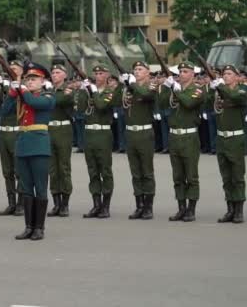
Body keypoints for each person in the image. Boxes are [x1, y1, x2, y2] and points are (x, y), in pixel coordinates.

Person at [8, 63, 55, 241]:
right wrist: (13, 94)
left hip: (39, 145)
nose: (30, 82)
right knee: (26, 188)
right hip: (23, 144)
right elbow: (5, 111)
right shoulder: (22, 96)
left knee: (40, 188)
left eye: (34, 79)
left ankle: (39, 228)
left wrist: (22, 90)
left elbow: (35, 103)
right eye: (28, 79)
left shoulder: (48, 96)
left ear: (43, 81)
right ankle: (28, 226)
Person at [159, 61, 205, 222]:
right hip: (174, 137)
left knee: (191, 176)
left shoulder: (197, 90)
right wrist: (166, 86)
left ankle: (191, 210)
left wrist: (175, 90)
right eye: (180, 71)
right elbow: (161, 103)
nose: (182, 74)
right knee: (177, 176)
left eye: (185, 71)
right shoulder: (175, 89)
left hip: (189, 137)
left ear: (193, 74)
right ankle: (181, 208)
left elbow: (188, 103)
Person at [77, 65, 118, 219]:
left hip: (103, 133)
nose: (98, 75)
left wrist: (93, 91)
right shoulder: (88, 91)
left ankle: (105, 206)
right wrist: (82, 90)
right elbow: (80, 109)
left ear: (107, 76)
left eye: (101, 73)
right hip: (89, 133)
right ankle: (96, 204)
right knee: (93, 170)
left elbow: (101, 106)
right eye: (96, 73)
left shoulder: (109, 92)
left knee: (105, 170)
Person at [212, 65, 247, 223]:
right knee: (226, 177)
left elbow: (234, 97)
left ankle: (239, 211)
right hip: (221, 139)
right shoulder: (219, 93)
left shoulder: (242, 91)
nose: (225, 76)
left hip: (235, 139)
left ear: (237, 76)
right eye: (223, 74)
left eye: (229, 74)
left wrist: (219, 86)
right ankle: (230, 209)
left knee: (237, 177)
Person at [121, 61, 157, 220]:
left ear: (148, 72)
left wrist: (133, 84)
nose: (136, 71)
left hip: (144, 133)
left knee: (146, 171)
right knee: (135, 172)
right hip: (130, 133)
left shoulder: (151, 86)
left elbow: (146, 95)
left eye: (140, 69)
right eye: (135, 69)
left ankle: (148, 207)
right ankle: (139, 205)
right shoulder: (128, 88)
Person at [0, 61, 24, 216]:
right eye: (9, 69)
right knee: (7, 171)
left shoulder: (23, 88)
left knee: (19, 171)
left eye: (14, 69)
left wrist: (10, 88)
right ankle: (11, 203)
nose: (11, 71)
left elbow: (9, 107)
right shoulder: (5, 87)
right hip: (3, 133)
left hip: (16, 132)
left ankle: (21, 203)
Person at [47, 64, 74, 217]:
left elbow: (60, 101)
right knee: (52, 169)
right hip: (50, 130)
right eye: (53, 72)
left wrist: (49, 95)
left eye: (58, 72)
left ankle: (65, 203)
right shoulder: (49, 91)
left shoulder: (68, 89)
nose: (54, 75)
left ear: (64, 75)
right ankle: (56, 202)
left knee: (63, 167)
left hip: (63, 130)